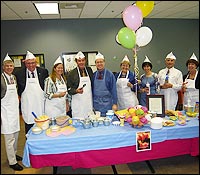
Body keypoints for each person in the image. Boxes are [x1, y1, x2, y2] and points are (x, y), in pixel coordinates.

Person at [14, 51, 49, 134]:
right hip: (28, 105)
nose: (31, 65)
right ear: (25, 63)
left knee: (43, 126)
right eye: (28, 63)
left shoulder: (43, 72)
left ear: (36, 62)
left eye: (33, 63)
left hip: (40, 104)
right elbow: (17, 90)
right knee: (29, 128)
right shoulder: (19, 74)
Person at [1, 54, 23, 171]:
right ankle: (12, 162)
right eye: (7, 66)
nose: (9, 67)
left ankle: (14, 154)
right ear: (3, 67)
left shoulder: (13, 78)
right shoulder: (1, 78)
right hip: (5, 113)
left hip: (14, 112)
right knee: (9, 138)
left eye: (11, 66)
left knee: (16, 135)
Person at [67, 51, 93, 120]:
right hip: (78, 104)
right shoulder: (71, 73)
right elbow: (69, 90)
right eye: (79, 61)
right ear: (76, 62)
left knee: (89, 119)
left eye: (83, 60)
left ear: (85, 61)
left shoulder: (89, 70)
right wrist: (76, 91)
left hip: (88, 102)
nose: (81, 62)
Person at [44, 56, 70, 121]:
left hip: (62, 107)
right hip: (53, 108)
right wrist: (58, 95)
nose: (60, 69)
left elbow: (66, 94)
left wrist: (67, 103)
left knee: (62, 124)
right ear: (54, 69)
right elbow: (47, 94)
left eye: (61, 68)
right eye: (58, 68)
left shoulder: (64, 79)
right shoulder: (49, 80)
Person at [92, 52, 118, 116]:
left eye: (101, 62)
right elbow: (92, 90)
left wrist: (114, 103)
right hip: (96, 104)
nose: (99, 64)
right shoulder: (94, 75)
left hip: (107, 104)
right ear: (95, 64)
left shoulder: (110, 75)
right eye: (97, 62)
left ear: (104, 62)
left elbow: (113, 90)